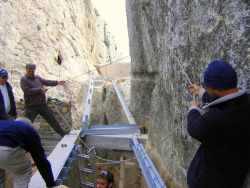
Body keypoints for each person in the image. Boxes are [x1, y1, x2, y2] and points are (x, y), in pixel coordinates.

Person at [187, 60, 250, 188]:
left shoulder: (215, 120)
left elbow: (194, 128)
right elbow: (226, 101)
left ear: (215, 88)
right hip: (234, 178)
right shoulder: (246, 102)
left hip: (209, 182)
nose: (204, 87)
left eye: (205, 86)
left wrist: (193, 109)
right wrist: (202, 93)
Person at [0, 117, 56, 188]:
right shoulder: (29, 130)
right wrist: (50, 184)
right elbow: (41, 161)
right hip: (6, 147)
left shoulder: (7, 124)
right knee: (23, 171)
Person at [20, 63, 69, 137]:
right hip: (31, 107)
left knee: (52, 119)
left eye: (32, 71)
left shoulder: (37, 77)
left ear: (34, 70)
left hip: (42, 105)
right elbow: (27, 91)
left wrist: (57, 82)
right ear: (26, 70)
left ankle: (62, 133)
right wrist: (40, 89)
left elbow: (46, 82)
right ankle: (21, 138)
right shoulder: (24, 80)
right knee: (27, 123)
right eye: (29, 71)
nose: (31, 72)